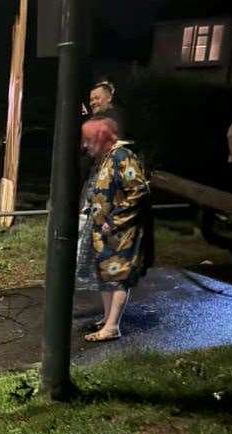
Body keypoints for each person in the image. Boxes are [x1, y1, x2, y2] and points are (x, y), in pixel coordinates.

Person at [76, 117, 151, 342]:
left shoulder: (122, 156)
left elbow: (138, 189)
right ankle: (108, 318)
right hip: (104, 228)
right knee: (105, 275)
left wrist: (116, 219)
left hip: (120, 230)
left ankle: (112, 326)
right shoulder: (106, 157)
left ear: (101, 138)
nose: (85, 145)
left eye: (89, 140)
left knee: (117, 276)